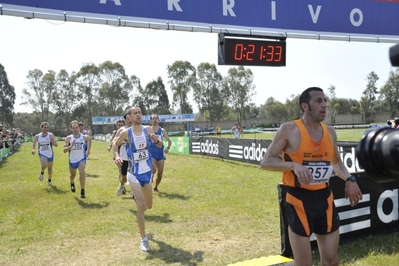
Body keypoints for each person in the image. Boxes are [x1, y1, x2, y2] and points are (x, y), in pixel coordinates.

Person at [260, 87, 363, 266]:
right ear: (305, 106)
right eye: (318, 101)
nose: (324, 105)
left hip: (324, 197)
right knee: (304, 264)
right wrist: (293, 165)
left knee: (331, 261)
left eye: (324, 100)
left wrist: (349, 179)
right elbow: (266, 162)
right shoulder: (289, 129)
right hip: (297, 199)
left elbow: (336, 163)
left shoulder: (330, 132)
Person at [112, 106, 163, 252]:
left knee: (149, 205)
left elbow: (160, 144)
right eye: (135, 113)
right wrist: (116, 156)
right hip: (133, 174)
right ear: (129, 117)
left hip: (147, 174)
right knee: (141, 205)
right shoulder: (125, 132)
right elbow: (115, 144)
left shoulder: (148, 130)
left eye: (140, 112)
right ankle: (143, 239)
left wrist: (156, 140)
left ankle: (139, 197)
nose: (138, 115)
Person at [63, 120, 92, 199]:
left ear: (79, 128)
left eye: (76, 127)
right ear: (71, 129)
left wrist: (88, 150)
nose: (75, 129)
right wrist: (70, 146)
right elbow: (64, 150)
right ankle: (72, 183)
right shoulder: (69, 138)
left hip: (81, 158)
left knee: (82, 172)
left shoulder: (83, 137)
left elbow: (89, 139)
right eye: (73, 128)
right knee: (73, 175)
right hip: (72, 160)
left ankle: (82, 190)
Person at [149, 114, 172, 193]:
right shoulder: (148, 130)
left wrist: (168, 148)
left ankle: (155, 187)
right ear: (151, 121)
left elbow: (169, 141)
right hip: (151, 153)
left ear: (158, 120)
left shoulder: (162, 130)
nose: (155, 120)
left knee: (160, 174)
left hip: (160, 154)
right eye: (153, 119)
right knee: (153, 169)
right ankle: (150, 175)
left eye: (156, 119)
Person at [110, 116, 131, 197]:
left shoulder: (138, 129)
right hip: (123, 156)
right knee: (124, 178)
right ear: (125, 121)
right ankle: (121, 185)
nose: (129, 121)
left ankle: (134, 191)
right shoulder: (121, 131)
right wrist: (117, 156)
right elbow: (114, 143)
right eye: (127, 119)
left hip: (134, 157)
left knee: (134, 175)